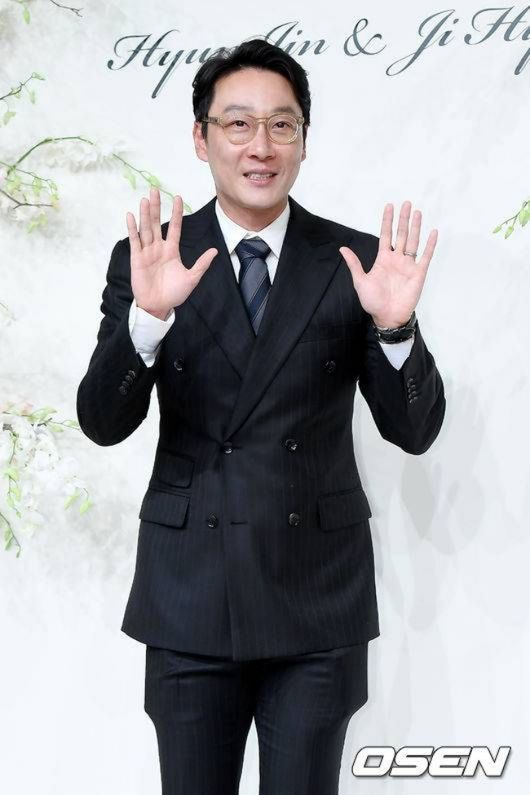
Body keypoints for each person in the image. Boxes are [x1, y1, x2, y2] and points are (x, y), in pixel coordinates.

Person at [76, 38, 445, 795]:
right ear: (201, 137)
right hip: (189, 592)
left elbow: (413, 431)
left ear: (304, 138)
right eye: (238, 124)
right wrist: (147, 320)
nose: (261, 146)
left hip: (316, 596)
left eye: (282, 125)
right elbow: (103, 421)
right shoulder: (151, 258)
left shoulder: (353, 260)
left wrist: (395, 329)